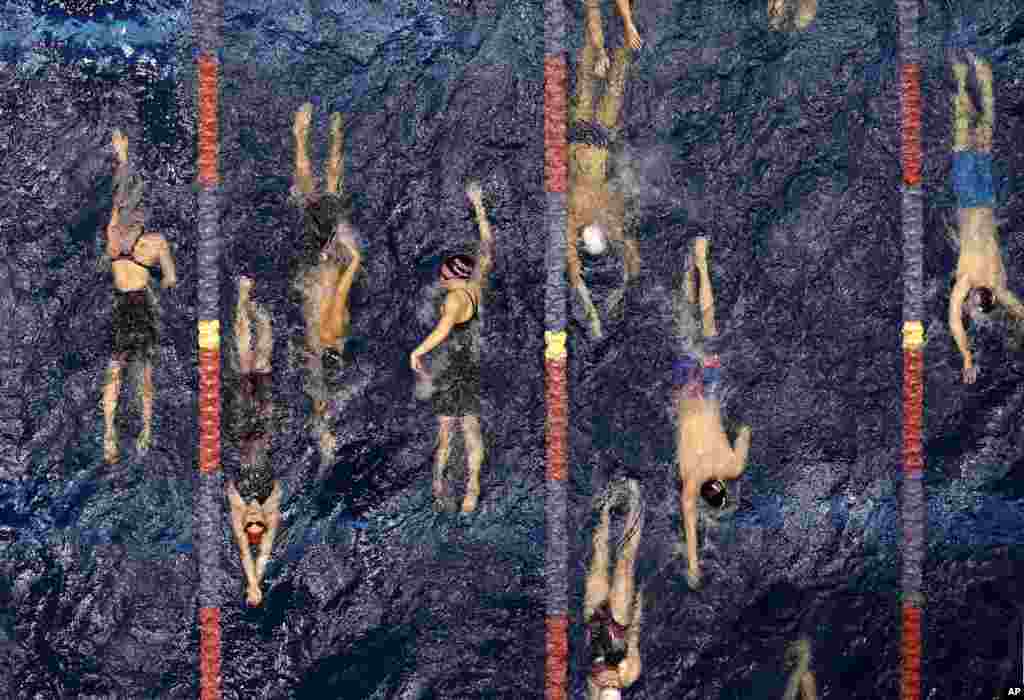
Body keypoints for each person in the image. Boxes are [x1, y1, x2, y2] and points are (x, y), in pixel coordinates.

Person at [410, 181, 494, 513]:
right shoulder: (475, 285)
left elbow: (443, 330)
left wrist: (416, 351)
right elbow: (487, 246)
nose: (441, 276)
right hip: (472, 363)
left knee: (446, 430)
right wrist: (478, 206)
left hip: (454, 369)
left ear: (451, 276)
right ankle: (472, 488)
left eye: (444, 273)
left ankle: (439, 485)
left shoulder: (455, 300)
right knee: (471, 427)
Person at [675, 236, 750, 590]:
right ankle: (688, 270)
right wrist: (693, 565)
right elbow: (688, 519)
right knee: (683, 330)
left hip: (710, 389)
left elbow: (746, 430)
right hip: (687, 396)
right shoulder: (691, 481)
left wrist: (735, 430)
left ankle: (701, 262)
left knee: (708, 327)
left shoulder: (733, 466)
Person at [567, 0, 644, 339]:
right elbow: (627, 263)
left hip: (597, 140)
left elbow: (629, 260)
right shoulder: (580, 218)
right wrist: (613, 297)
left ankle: (617, 24)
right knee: (602, 72)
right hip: (584, 137)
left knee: (613, 74)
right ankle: (608, 20)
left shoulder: (600, 217)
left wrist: (603, 307)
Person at [947, 51, 1024, 384]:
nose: (973, 303)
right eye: (979, 304)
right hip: (984, 198)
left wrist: (966, 357)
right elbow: (1020, 310)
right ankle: (983, 80)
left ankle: (964, 79)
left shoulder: (966, 281)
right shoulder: (995, 284)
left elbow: (952, 322)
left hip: (969, 197)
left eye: (971, 305)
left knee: (966, 134)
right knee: (983, 137)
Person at [102, 129, 177, 464]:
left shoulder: (113, 235)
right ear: (144, 216)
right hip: (142, 307)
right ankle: (146, 429)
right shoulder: (155, 243)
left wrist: (123, 156)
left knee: (114, 371)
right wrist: (161, 278)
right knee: (145, 374)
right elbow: (171, 280)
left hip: (121, 306)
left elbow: (122, 194)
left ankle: (108, 434)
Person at [290, 102, 363, 421]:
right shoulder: (315, 348)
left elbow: (344, 288)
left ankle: (309, 134)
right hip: (311, 268)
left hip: (327, 258)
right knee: (311, 195)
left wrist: (355, 256)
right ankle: (312, 136)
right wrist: (322, 414)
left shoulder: (334, 333)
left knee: (321, 191)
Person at [225, 276, 282, 607]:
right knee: (264, 363)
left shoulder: (237, 508)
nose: (256, 515)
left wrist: (251, 584)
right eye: (260, 521)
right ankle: (258, 313)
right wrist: (257, 584)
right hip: (264, 425)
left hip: (239, 428)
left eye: (252, 521)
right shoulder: (271, 507)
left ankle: (242, 296)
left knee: (244, 364)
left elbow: (247, 553)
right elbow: (265, 551)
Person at [584, 478, 645, 700]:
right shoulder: (630, 672)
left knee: (599, 559)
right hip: (619, 623)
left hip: (595, 624)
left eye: (606, 684)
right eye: (615, 685)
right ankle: (636, 502)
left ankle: (606, 509)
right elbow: (635, 633)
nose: (611, 679)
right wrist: (638, 600)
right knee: (625, 562)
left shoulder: (593, 686)